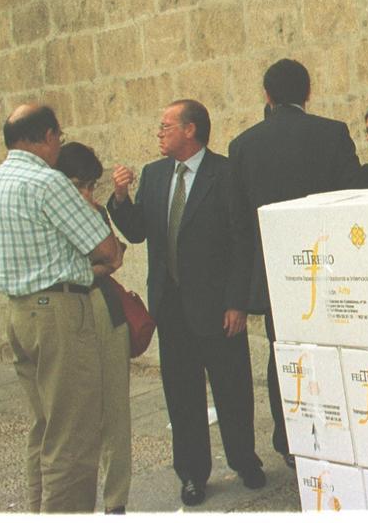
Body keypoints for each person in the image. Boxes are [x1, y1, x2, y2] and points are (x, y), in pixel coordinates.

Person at [107, 100, 264, 507]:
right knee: (182, 395)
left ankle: (245, 460)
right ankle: (192, 474)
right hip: (171, 307)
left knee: (232, 389)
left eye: (166, 126)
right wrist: (121, 199)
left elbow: (241, 242)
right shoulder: (155, 175)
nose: (159, 132)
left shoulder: (225, 173)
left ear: (190, 130)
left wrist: (236, 302)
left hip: (217, 306)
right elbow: (139, 231)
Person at [0, 103, 125, 513]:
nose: (59, 145)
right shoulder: (47, 182)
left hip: (19, 313)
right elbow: (107, 249)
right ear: (46, 136)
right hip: (58, 312)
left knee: (45, 428)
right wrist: (90, 261)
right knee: (73, 437)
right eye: (58, 137)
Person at [228, 59, 362, 468]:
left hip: (275, 273)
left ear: (266, 96)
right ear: (308, 92)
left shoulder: (243, 145)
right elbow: (352, 201)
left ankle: (290, 438)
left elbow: (239, 224)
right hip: (329, 268)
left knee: (282, 353)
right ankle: (339, 431)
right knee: (334, 351)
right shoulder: (332, 133)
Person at [55, 142, 132, 515]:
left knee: (116, 410)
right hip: (68, 314)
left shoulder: (96, 212)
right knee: (76, 415)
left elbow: (113, 259)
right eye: (77, 185)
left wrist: (92, 269)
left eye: (90, 186)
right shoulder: (52, 216)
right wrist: (93, 268)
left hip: (104, 309)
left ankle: (116, 502)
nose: (85, 194)